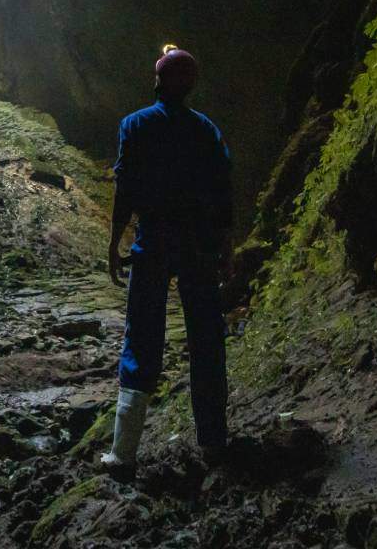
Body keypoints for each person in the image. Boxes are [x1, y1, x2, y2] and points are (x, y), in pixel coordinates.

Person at [99, 44, 232, 470]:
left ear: (158, 80)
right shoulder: (206, 131)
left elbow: (126, 189)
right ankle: (213, 443)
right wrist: (225, 248)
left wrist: (115, 240)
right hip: (198, 247)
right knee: (206, 341)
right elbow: (223, 194)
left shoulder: (135, 125)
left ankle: (123, 454)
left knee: (141, 338)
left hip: (154, 243)